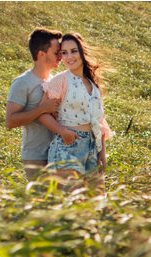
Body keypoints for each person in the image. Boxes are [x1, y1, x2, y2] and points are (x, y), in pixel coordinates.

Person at [38, 32, 113, 183]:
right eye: (64, 53)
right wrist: (63, 132)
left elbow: (99, 120)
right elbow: (42, 113)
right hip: (68, 147)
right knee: (69, 202)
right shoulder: (61, 80)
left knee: (95, 200)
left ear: (82, 51)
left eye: (73, 51)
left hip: (93, 146)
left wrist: (102, 152)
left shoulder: (93, 82)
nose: (69, 57)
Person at [6, 28, 63, 180]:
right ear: (41, 54)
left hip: (58, 155)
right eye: (56, 52)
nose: (60, 57)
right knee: (41, 202)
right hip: (36, 157)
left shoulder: (55, 81)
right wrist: (41, 110)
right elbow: (10, 121)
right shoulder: (22, 82)